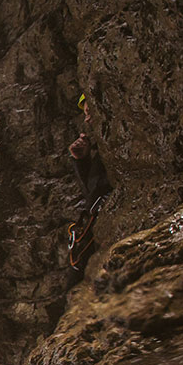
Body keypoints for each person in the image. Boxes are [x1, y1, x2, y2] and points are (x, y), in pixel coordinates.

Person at [65, 93, 113, 286]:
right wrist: (82, 161)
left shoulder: (113, 145)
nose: (87, 119)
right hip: (97, 224)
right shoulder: (104, 147)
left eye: (89, 111)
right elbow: (92, 193)